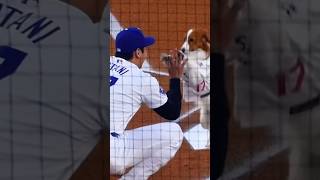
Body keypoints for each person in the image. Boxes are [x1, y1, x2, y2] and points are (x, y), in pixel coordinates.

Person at [109, 27, 186, 180]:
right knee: (174, 133)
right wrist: (175, 78)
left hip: (78, 149)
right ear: (137, 53)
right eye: (145, 49)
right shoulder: (141, 79)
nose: (146, 53)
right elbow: (172, 112)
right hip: (111, 154)